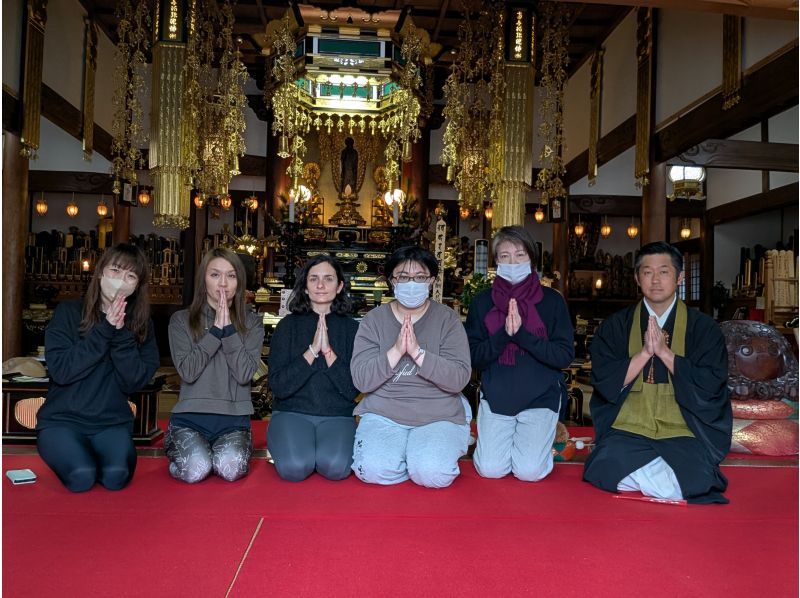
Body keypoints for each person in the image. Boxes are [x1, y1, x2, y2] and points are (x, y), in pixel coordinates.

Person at [583, 241, 732, 504]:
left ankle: (650, 477)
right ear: (637, 278)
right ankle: (663, 479)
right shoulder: (616, 326)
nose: (655, 280)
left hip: (683, 429)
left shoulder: (704, 329)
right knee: (601, 468)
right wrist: (643, 355)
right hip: (629, 427)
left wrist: (665, 353)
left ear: (680, 277)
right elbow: (605, 381)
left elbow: (711, 384)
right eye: (647, 272)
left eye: (664, 272)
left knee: (700, 479)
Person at [37, 243, 159, 492]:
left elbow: (134, 381)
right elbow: (61, 370)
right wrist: (105, 330)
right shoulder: (69, 312)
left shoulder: (141, 325)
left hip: (111, 422)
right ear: (101, 272)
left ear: (137, 286)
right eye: (115, 270)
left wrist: (120, 331)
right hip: (62, 420)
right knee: (82, 476)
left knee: (116, 477)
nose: (120, 281)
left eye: (130, 276)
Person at [350, 246, 472, 488]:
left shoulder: (447, 320)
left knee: (432, 474)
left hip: (438, 415)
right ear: (392, 281)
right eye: (403, 277)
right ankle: (406, 453)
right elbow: (362, 380)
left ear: (432, 281)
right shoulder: (374, 320)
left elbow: (459, 378)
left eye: (419, 277)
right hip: (384, 413)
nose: (411, 283)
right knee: (372, 471)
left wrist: (417, 353)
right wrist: (396, 351)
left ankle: (420, 454)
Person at [465, 226, 574, 482]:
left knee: (529, 472)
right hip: (497, 396)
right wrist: (504, 334)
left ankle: (542, 440)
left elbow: (563, 355)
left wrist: (522, 334)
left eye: (520, 255)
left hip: (541, 397)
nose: (512, 262)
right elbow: (475, 357)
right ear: (496, 262)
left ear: (532, 260)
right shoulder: (482, 302)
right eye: (504, 256)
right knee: (490, 469)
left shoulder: (552, 301)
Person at [166, 248, 264, 484]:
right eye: (215, 275)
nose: (223, 283)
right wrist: (215, 332)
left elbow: (244, 374)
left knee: (231, 470)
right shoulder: (181, 320)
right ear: (203, 280)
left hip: (233, 421)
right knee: (195, 471)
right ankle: (182, 456)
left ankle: (210, 455)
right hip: (189, 419)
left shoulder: (252, 323)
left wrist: (228, 330)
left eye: (231, 276)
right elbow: (188, 371)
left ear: (239, 282)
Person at [267, 255, 360, 481]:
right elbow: (278, 386)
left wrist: (328, 352)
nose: (320, 285)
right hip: (292, 412)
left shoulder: (352, 328)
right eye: (313, 279)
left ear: (339, 286)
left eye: (328, 279)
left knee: (336, 467)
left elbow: (352, 390)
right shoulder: (287, 326)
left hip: (337, 415)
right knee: (295, 468)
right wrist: (311, 352)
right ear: (305, 287)